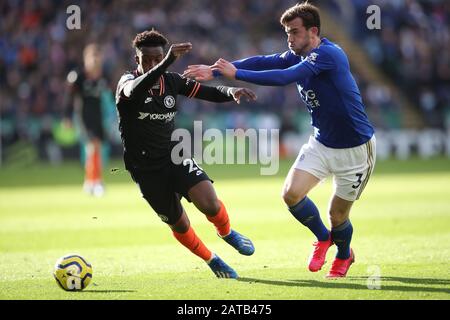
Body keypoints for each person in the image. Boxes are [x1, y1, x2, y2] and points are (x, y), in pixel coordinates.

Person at [184, 2, 376, 278]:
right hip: (322, 142)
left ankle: (344, 255)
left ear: (313, 32)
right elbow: (263, 61)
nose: (290, 39)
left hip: (356, 149)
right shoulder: (296, 54)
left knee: (338, 215)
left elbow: (285, 77)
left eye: (295, 32)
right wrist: (215, 72)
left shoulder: (328, 54)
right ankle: (324, 238)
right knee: (291, 194)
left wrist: (236, 75)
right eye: (287, 33)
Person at [115, 29, 257, 278]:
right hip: (145, 169)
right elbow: (132, 91)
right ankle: (212, 259)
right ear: (136, 59)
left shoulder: (171, 82)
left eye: (157, 58)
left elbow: (207, 92)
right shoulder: (127, 82)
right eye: (146, 59)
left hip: (174, 155)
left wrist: (230, 92)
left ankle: (226, 233)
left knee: (210, 202)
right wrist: (167, 62)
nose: (152, 63)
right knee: (179, 223)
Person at [64, 44, 109, 197]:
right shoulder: (78, 76)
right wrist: (67, 117)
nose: (96, 61)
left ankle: (89, 181)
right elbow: (69, 98)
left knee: (95, 149)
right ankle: (96, 182)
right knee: (93, 146)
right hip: (83, 117)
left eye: (98, 57)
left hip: (98, 116)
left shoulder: (104, 76)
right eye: (93, 57)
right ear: (86, 59)